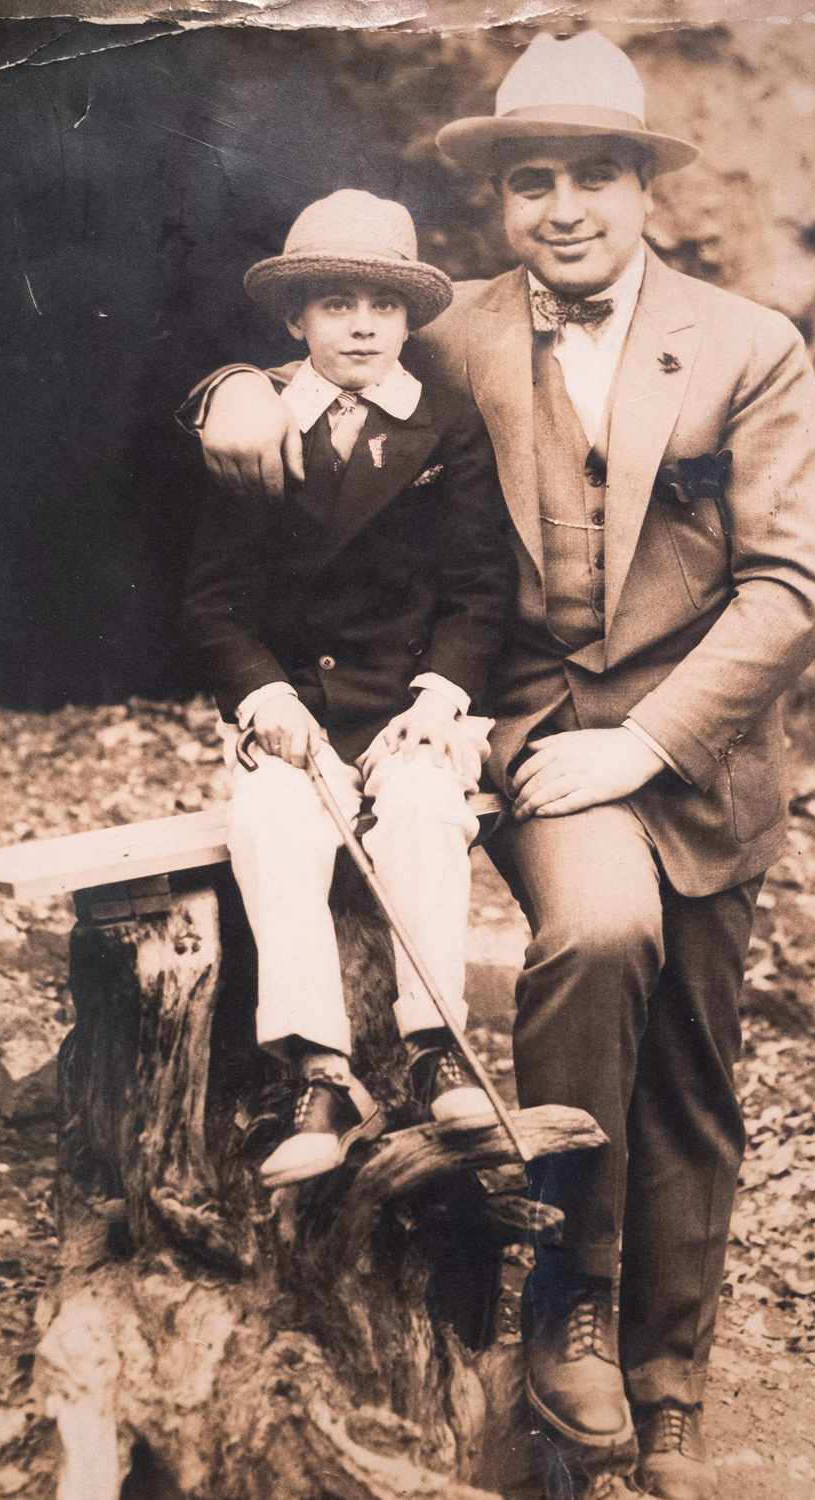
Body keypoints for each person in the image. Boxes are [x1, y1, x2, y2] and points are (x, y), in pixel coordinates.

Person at [186, 33, 815, 1500]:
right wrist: (221, 390)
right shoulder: (458, 332)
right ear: (495, 198)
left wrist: (649, 739)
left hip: (692, 747)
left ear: (640, 186)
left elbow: (790, 587)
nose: (562, 206)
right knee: (599, 936)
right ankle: (568, 1308)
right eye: (529, 178)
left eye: (592, 173)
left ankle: (668, 1390)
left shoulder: (746, 347)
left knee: (691, 1072)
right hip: (535, 735)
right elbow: (325, 369)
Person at [183, 189, 517, 1190]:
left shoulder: (446, 426)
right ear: (296, 321)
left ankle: (434, 1044)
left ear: (411, 319)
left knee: (421, 810)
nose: (363, 322)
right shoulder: (260, 427)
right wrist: (270, 702)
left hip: (403, 709)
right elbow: (216, 603)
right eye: (335, 303)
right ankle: (320, 1072)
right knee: (271, 825)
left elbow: (478, 592)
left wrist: (436, 700)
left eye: (382, 303)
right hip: (300, 721)